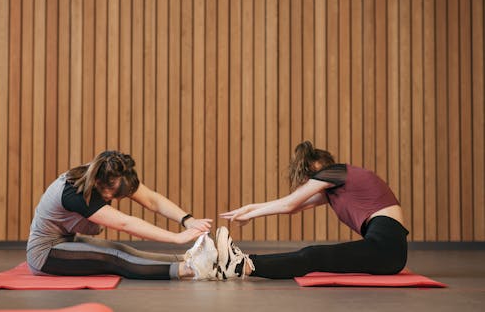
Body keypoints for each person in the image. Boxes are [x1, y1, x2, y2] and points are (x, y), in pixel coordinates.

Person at [217, 141, 409, 279]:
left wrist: (250, 213)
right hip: (387, 250)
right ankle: (242, 262)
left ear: (315, 169)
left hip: (386, 247)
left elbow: (289, 204)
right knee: (313, 255)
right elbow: (293, 205)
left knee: (313, 255)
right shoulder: (335, 188)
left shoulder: (336, 172)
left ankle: (244, 265)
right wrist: (251, 208)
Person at [26, 150, 217, 280]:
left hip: (66, 241)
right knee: (114, 257)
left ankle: (189, 258)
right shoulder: (75, 193)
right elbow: (125, 224)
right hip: (45, 254)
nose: (117, 199)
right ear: (101, 183)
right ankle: (191, 270)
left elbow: (152, 200)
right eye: (115, 195)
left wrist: (187, 220)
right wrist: (176, 238)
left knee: (123, 249)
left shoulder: (111, 174)